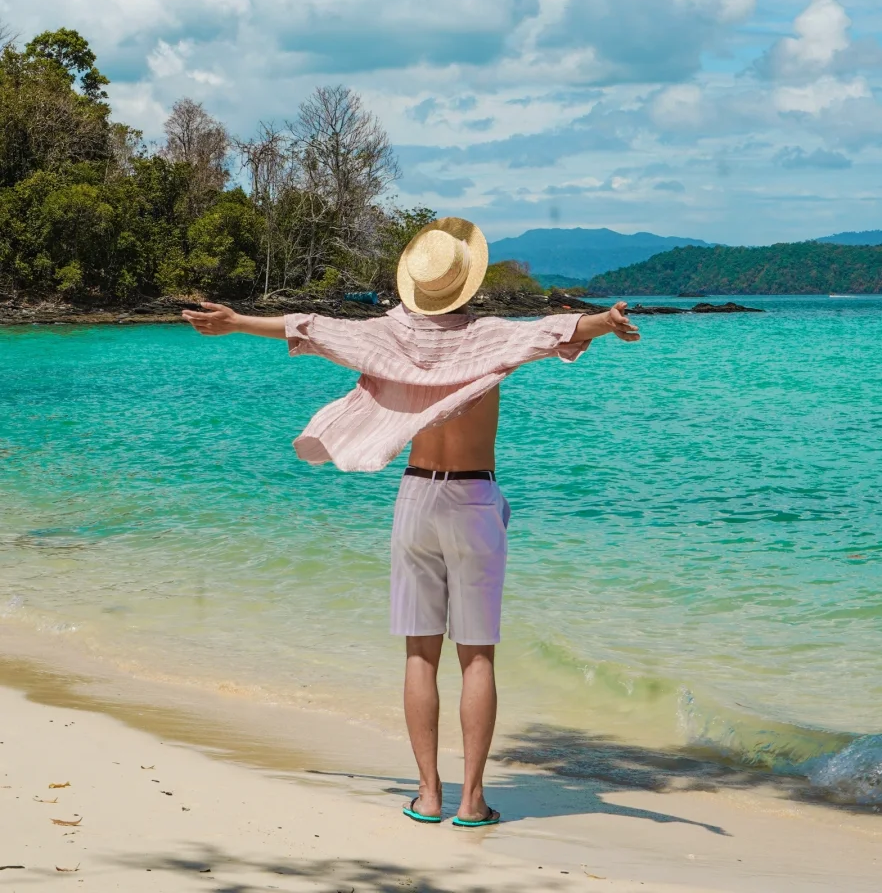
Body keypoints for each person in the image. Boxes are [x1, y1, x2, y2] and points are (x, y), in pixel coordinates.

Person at [182, 216, 640, 828]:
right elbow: (558, 330)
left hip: (418, 499)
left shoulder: (384, 337)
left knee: (419, 655)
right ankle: (473, 801)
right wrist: (606, 323)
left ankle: (428, 795)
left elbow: (310, 329)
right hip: (474, 500)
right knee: (477, 657)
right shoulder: (490, 337)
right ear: (465, 285)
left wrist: (235, 321)